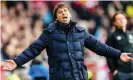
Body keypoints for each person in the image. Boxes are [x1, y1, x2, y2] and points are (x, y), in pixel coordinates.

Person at [2, 3, 133, 80]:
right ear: (56, 18)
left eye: (66, 10)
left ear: (70, 14)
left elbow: (100, 47)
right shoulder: (49, 33)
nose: (64, 13)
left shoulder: (81, 31)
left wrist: (119, 54)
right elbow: (33, 49)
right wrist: (16, 61)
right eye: (60, 12)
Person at [106, 12, 133, 80]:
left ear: (126, 20)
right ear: (114, 22)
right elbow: (108, 54)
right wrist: (113, 71)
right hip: (121, 72)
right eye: (118, 19)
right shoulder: (112, 36)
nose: (121, 20)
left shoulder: (130, 34)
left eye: (123, 18)